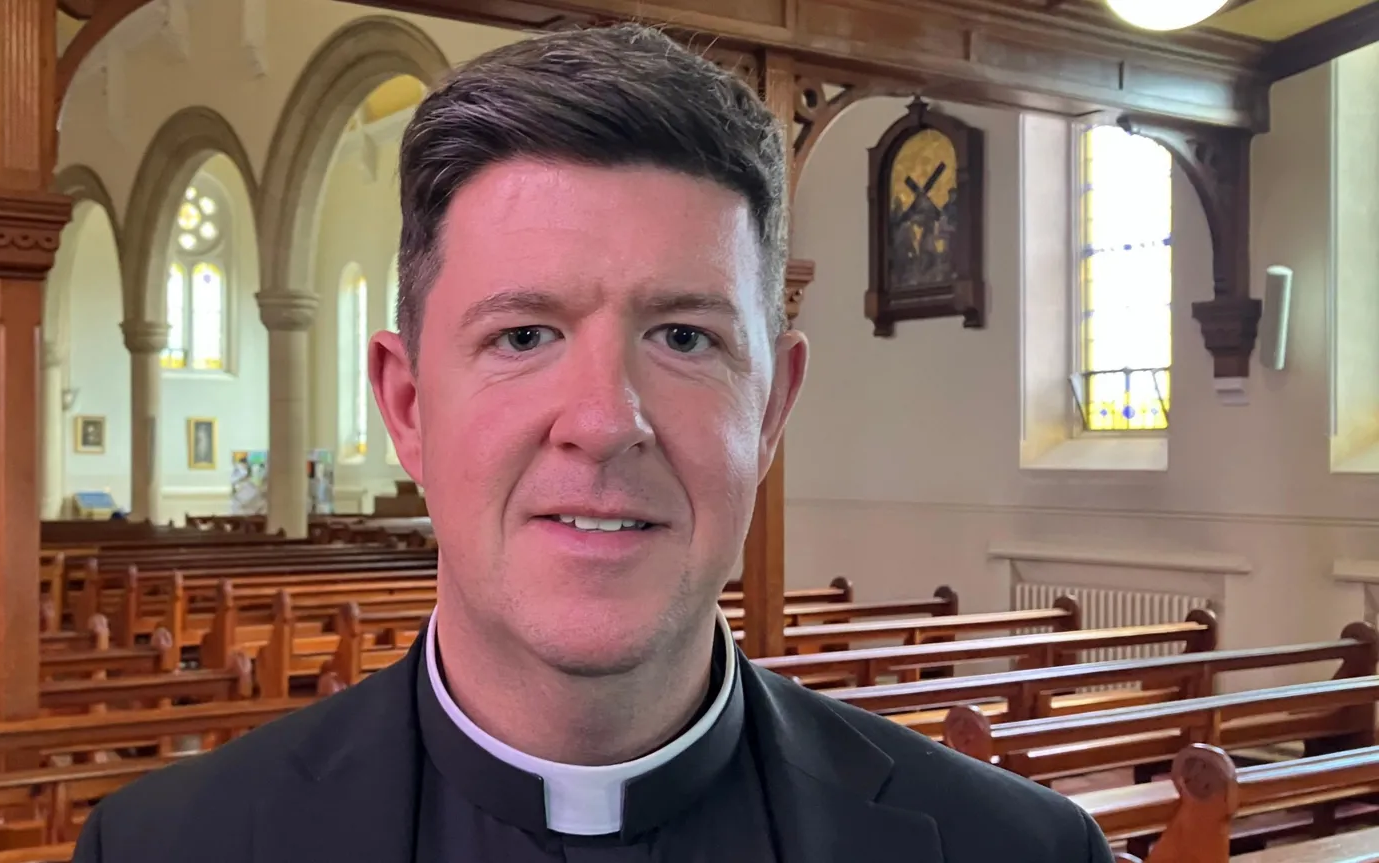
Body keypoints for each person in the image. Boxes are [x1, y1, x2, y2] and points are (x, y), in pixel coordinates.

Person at [72, 24, 1111, 863]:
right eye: (524, 335)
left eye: (684, 336)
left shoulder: (1017, 848)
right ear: (408, 405)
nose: (607, 419)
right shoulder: (171, 845)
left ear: (772, 409)